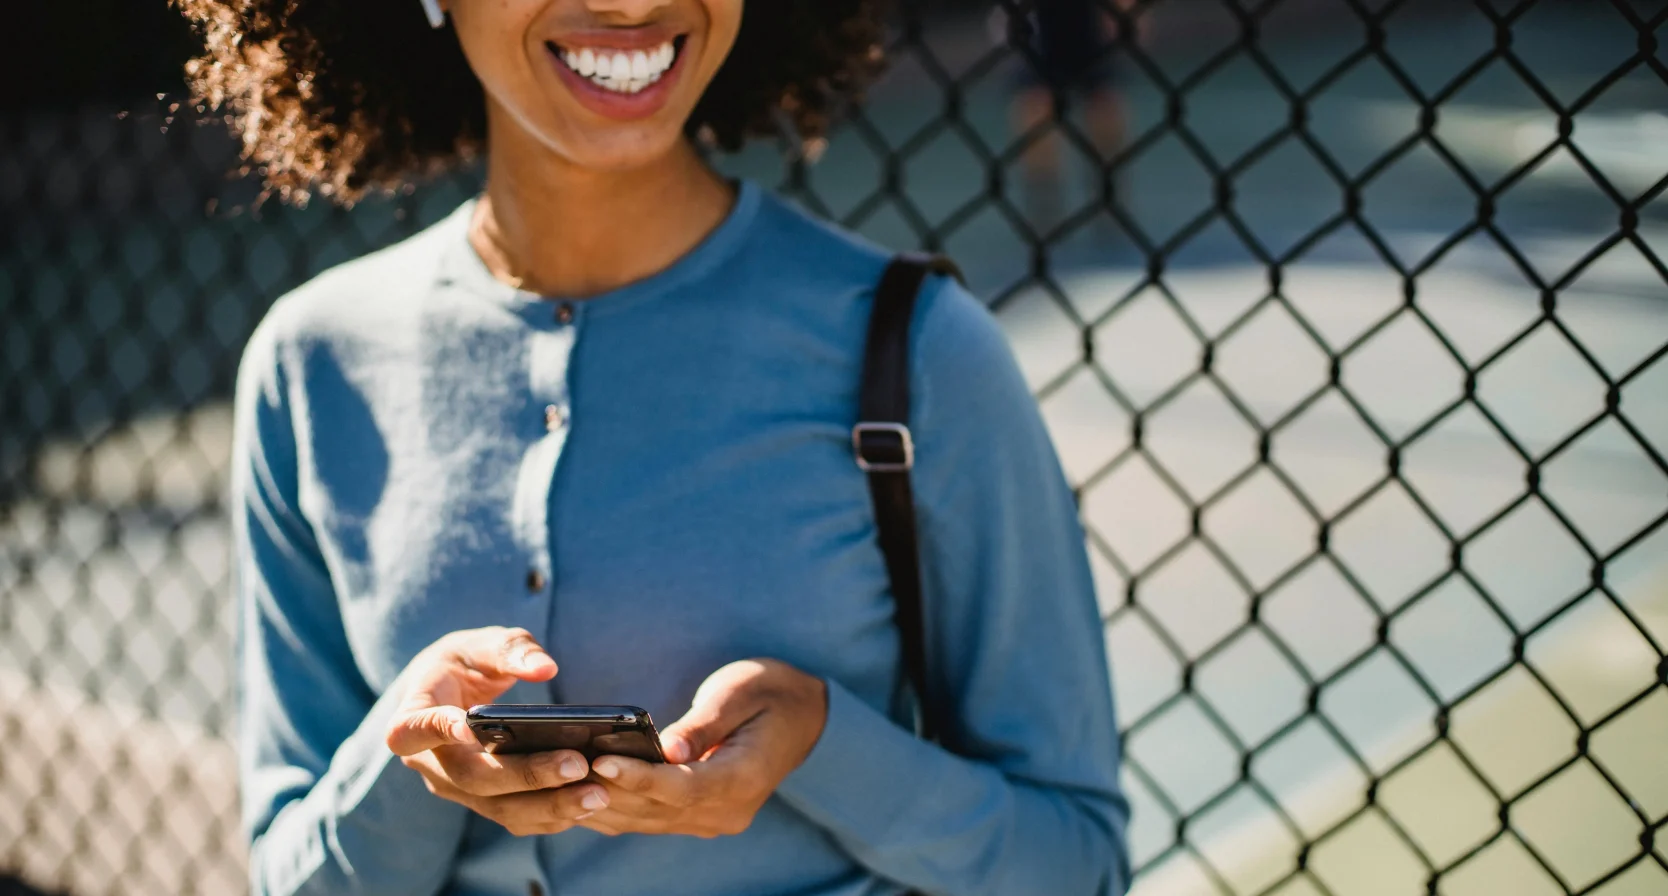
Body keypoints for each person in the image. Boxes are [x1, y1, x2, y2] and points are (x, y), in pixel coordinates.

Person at [185, 0, 1130, 893]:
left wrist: (825, 744)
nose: (633, 4)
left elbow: (1077, 865)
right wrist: (406, 759)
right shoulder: (309, 365)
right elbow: (289, 874)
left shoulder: (921, 352)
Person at [1003, 0, 1138, 229]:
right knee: (1035, 106)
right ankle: (1045, 208)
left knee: (1104, 105)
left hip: (1088, 21)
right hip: (1041, 25)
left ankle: (1109, 196)